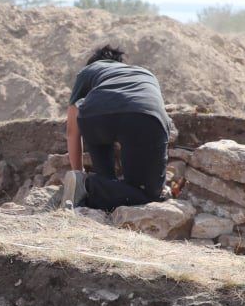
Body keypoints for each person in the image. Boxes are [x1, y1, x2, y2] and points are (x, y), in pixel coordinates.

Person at [63, 45, 172, 210]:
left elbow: (72, 131)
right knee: (149, 194)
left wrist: (77, 172)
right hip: (145, 118)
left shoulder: (89, 71)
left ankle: (87, 185)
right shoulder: (144, 73)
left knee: (107, 183)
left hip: (95, 117)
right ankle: (93, 186)